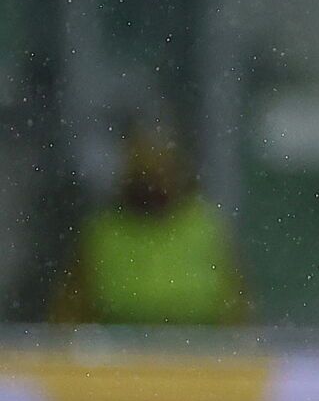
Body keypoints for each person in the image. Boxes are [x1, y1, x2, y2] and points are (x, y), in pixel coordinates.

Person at [50, 120, 251, 326]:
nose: (152, 176)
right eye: (142, 166)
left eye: (160, 166)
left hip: (198, 350)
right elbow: (70, 309)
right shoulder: (103, 231)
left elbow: (237, 306)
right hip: (118, 352)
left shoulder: (205, 226)